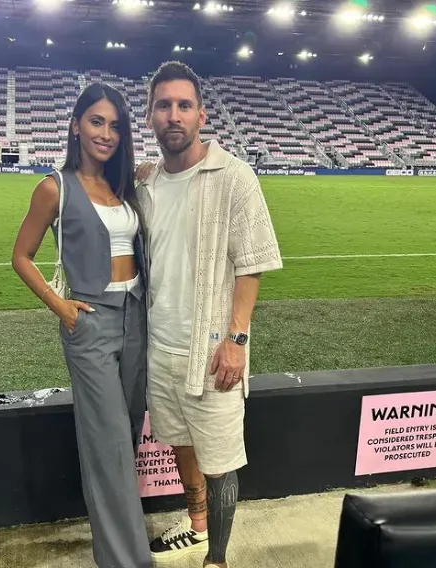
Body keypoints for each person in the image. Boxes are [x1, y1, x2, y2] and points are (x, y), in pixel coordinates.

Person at [133, 61, 283, 568]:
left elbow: (253, 262)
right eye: (163, 105)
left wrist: (236, 339)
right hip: (161, 347)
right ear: (150, 116)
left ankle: (216, 559)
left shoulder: (234, 177)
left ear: (201, 114)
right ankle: (196, 526)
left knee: (219, 461)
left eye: (183, 105)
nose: (173, 115)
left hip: (213, 349)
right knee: (179, 442)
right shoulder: (147, 184)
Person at [11, 82, 152, 568]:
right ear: (76, 125)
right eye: (96, 121)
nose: (106, 133)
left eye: (115, 125)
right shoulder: (55, 186)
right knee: (109, 444)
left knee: (128, 432)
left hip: (137, 317)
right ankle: (128, 562)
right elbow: (21, 256)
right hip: (89, 324)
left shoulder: (123, 185)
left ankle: (118, 546)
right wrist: (60, 305)